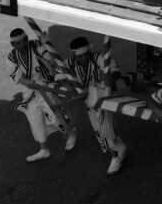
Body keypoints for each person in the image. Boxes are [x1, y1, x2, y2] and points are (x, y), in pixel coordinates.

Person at [55, 36, 128, 175]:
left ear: (89, 51)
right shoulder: (69, 62)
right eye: (80, 56)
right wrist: (68, 85)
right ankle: (121, 148)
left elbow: (114, 68)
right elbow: (58, 77)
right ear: (74, 55)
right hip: (88, 101)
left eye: (86, 54)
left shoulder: (97, 58)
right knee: (98, 129)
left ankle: (114, 157)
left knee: (105, 127)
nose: (84, 58)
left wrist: (109, 79)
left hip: (102, 98)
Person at [9, 24, 76, 162]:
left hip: (46, 85)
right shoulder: (12, 57)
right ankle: (44, 150)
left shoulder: (37, 45)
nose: (23, 44)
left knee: (55, 115)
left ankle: (71, 132)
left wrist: (47, 46)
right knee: (35, 121)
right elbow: (21, 79)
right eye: (18, 43)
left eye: (24, 40)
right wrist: (34, 83)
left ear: (27, 38)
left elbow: (50, 60)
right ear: (13, 44)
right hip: (30, 90)